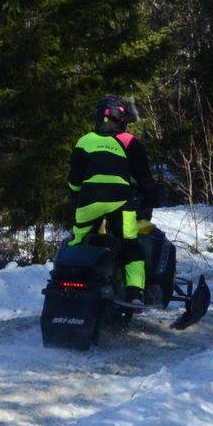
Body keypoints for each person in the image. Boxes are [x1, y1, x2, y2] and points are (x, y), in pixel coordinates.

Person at [67, 95, 163, 300]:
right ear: (122, 119)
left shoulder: (84, 141)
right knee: (130, 243)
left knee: (78, 240)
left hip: (89, 199)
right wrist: (152, 195)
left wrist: (74, 195)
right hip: (120, 199)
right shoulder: (128, 141)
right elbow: (143, 176)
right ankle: (135, 291)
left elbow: (74, 178)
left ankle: (66, 278)